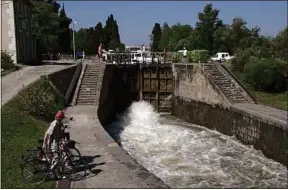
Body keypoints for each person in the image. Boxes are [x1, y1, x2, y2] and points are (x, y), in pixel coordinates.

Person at [42, 110, 66, 176]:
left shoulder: (59, 123)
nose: (62, 119)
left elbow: (61, 132)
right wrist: (44, 143)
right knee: (56, 158)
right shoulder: (54, 124)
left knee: (57, 158)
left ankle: (57, 172)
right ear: (59, 118)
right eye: (62, 118)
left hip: (58, 142)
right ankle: (52, 172)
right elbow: (47, 133)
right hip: (54, 143)